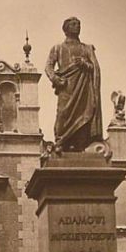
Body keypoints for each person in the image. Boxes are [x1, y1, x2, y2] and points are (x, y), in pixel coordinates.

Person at [45, 16, 102, 152]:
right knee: (63, 114)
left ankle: (80, 144)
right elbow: (48, 66)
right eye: (73, 24)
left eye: (78, 24)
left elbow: (95, 68)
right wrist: (55, 79)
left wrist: (85, 64)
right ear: (66, 29)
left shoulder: (87, 48)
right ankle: (61, 141)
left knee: (84, 115)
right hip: (66, 88)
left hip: (84, 89)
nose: (77, 26)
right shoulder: (57, 48)